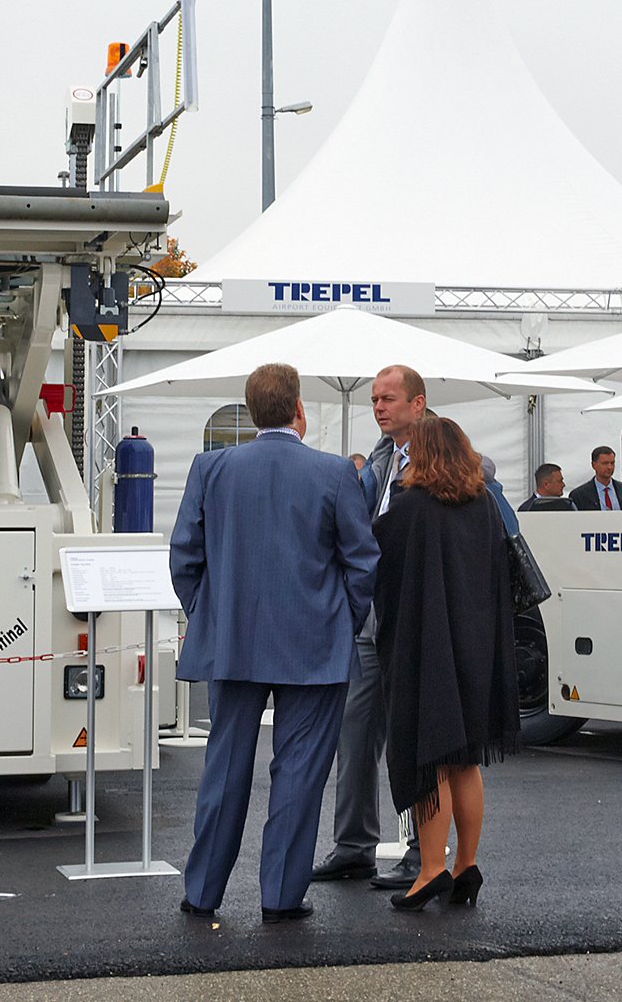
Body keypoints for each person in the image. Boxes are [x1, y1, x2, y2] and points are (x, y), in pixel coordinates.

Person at [170, 362, 378, 921]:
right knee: (300, 773)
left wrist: (210, 615)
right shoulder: (335, 473)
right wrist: (342, 622)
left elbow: (185, 557)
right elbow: (362, 563)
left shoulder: (210, 468)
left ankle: (203, 891)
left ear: (250, 409)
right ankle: (282, 896)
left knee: (224, 768)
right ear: (298, 409)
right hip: (315, 643)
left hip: (232, 643)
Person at [317, 365, 521, 890]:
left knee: (425, 736)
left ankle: (420, 856)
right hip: (374, 617)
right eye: (374, 399)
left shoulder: (464, 467)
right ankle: (354, 845)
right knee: (358, 733)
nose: (379, 407)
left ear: (418, 403)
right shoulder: (379, 462)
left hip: (425, 619)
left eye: (388, 398)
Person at [373, 414, 520, 911]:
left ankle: (432, 866)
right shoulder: (484, 505)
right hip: (478, 646)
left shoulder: (411, 506)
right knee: (465, 760)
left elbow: (382, 571)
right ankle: (467, 865)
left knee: (428, 755)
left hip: (425, 645)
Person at [570, 446, 622, 512]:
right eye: (605, 463)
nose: (610, 467)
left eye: (612, 463)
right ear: (594, 465)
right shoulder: (579, 495)